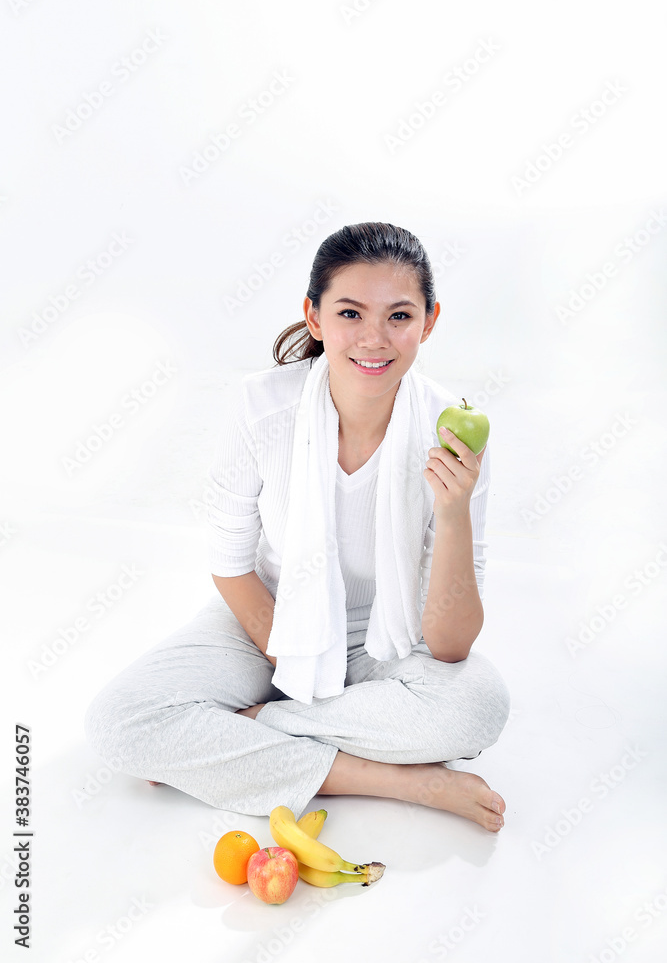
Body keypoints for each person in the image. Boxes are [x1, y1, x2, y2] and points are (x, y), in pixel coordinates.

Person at [84, 222, 510, 833]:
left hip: (386, 636)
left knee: (479, 705)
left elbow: (448, 646)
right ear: (313, 317)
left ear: (429, 321)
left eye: (399, 316)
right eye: (350, 313)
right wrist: (297, 663)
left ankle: (245, 732)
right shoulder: (261, 407)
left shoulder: (453, 435)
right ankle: (398, 780)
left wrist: (452, 511)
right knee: (119, 723)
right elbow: (230, 565)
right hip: (267, 613)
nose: (374, 338)